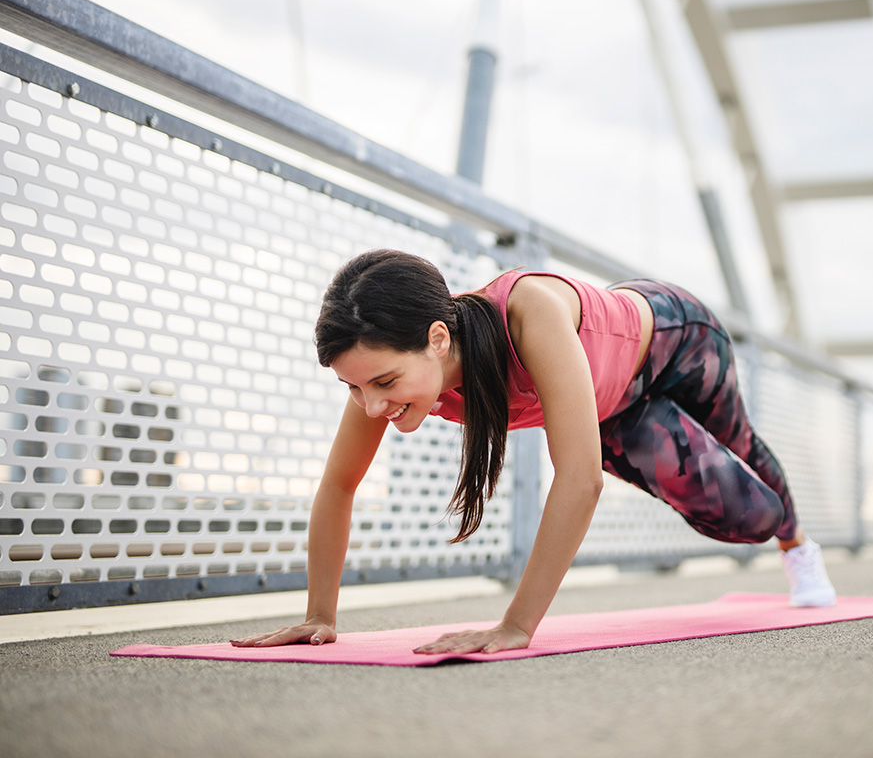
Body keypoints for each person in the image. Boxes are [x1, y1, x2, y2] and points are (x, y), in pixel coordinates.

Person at [232, 249, 835, 655]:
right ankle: (768, 524)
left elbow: (578, 480)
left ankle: (799, 547)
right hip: (616, 405)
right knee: (744, 519)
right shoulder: (386, 369)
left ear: (437, 340)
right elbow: (339, 485)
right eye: (352, 388)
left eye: (384, 384)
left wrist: (516, 626)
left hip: (675, 341)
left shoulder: (528, 313)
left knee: (743, 450)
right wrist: (320, 616)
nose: (370, 407)